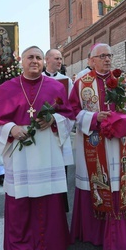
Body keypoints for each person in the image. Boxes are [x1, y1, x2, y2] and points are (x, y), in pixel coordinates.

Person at [0, 46, 75, 250]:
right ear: (22, 62)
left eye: (38, 57)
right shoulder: (7, 88)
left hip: (47, 152)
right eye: (30, 57)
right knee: (20, 205)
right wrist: (11, 128)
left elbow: (69, 117)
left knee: (49, 201)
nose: (34, 61)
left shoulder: (56, 87)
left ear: (43, 61)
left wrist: (54, 119)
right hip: (20, 155)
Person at [69, 43, 126, 250]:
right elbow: (72, 111)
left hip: (117, 142)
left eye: (109, 55)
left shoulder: (120, 81)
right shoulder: (82, 83)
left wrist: (120, 118)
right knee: (96, 182)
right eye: (102, 56)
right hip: (93, 141)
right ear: (91, 60)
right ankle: (94, 234)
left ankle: (118, 237)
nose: (107, 59)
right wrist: (93, 117)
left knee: (118, 183)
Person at [43, 48, 74, 211]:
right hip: (41, 128)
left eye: (61, 58)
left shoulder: (66, 80)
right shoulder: (38, 78)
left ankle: (61, 205)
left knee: (61, 166)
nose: (59, 61)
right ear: (46, 60)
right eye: (56, 58)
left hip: (59, 127)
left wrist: (59, 120)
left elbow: (71, 106)